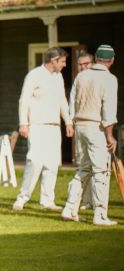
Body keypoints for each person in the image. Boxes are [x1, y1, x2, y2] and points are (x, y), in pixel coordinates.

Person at [61, 45, 118, 226]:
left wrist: (71, 122)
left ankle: (69, 209)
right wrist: (110, 136)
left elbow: (72, 102)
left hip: (81, 127)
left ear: (96, 59)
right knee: (102, 171)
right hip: (96, 128)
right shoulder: (109, 79)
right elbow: (108, 110)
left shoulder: (82, 76)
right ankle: (100, 215)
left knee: (84, 169)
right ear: (112, 60)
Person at [13, 47, 74, 211]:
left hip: (54, 126)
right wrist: (23, 123)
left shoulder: (58, 77)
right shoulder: (34, 75)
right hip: (37, 126)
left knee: (52, 164)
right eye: (62, 61)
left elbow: (62, 100)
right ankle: (22, 199)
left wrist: (68, 122)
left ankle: (47, 201)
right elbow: (24, 100)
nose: (65, 65)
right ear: (53, 60)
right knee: (34, 161)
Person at [69, 51, 94, 211]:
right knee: (83, 164)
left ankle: (93, 201)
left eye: (86, 64)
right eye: (80, 64)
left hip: (96, 127)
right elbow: (72, 102)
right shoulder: (77, 80)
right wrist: (70, 122)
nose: (83, 67)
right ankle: (85, 200)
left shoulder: (97, 79)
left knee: (96, 166)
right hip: (80, 126)